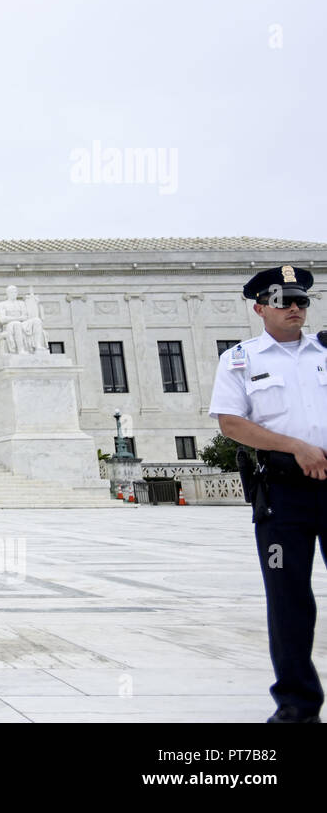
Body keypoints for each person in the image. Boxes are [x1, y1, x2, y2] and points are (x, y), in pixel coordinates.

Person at [210, 265, 327, 722]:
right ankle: (297, 706)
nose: (294, 308)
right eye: (283, 302)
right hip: (283, 493)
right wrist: (297, 447)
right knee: (288, 600)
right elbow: (231, 422)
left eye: (300, 301)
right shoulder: (241, 359)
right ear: (260, 308)